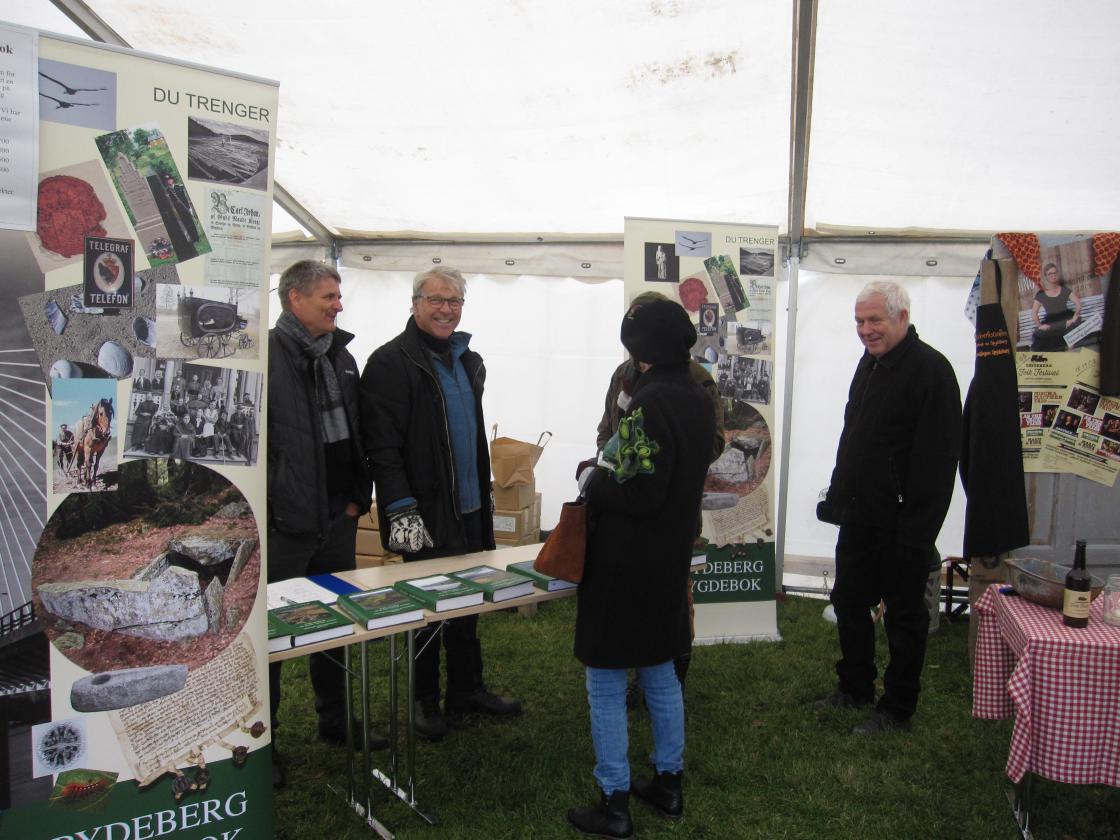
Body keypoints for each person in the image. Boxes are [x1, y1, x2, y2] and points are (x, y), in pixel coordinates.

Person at [568, 298, 716, 837]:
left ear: (640, 347)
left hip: (626, 559)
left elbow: (639, 492)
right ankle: (668, 784)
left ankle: (614, 801)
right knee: (659, 669)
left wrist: (594, 479)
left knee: (605, 680)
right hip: (670, 554)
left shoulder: (650, 401)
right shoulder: (698, 397)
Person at [360, 266, 521, 741]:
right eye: (437, 300)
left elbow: (468, 436)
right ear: (415, 304)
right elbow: (381, 447)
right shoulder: (391, 362)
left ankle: (467, 690)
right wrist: (401, 509)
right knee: (428, 607)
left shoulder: (468, 359)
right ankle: (423, 701)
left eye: (455, 301)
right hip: (424, 510)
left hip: (470, 505)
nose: (446, 309)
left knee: (468, 600)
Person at [815, 280, 961, 735]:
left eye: (874, 320)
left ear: (902, 316)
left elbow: (938, 463)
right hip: (859, 515)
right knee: (848, 600)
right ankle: (855, 686)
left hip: (903, 524)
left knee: (905, 617)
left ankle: (897, 708)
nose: (865, 330)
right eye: (859, 321)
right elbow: (853, 436)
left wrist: (916, 532)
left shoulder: (931, 371)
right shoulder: (871, 363)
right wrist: (839, 496)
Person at [268, 260, 380, 789]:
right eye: (328, 297)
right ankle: (261, 744)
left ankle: (335, 722)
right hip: (287, 523)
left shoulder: (341, 357)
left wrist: (359, 498)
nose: (338, 305)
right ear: (295, 299)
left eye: (338, 296)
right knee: (269, 641)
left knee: (335, 625)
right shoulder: (265, 357)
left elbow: (354, 433)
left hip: (337, 517)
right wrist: (276, 505)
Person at [592, 290, 725, 703]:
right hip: (624, 507)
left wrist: (655, 461)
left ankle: (672, 673)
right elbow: (606, 428)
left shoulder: (697, 380)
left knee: (672, 598)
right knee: (631, 596)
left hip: (671, 507)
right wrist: (610, 461)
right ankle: (640, 672)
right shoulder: (622, 374)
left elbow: (713, 441)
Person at [1030, 262, 1081, 351]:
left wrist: (1074, 318)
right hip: (1052, 322)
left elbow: (1078, 304)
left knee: (1070, 333)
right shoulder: (1041, 294)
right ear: (1045, 276)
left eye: (1055, 273)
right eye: (1050, 274)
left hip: (1065, 319)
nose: (1053, 276)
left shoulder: (1064, 290)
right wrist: (1040, 325)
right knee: (1042, 338)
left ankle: (1070, 356)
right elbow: (1034, 312)